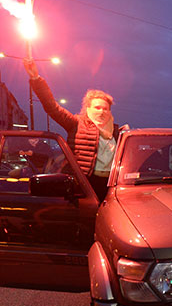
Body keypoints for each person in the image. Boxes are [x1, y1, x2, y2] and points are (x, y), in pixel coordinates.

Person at [24, 59, 127, 202]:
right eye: (97, 107)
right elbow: (52, 107)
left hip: (111, 185)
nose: (102, 111)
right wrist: (36, 79)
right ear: (88, 108)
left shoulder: (116, 131)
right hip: (84, 183)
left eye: (106, 108)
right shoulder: (76, 123)